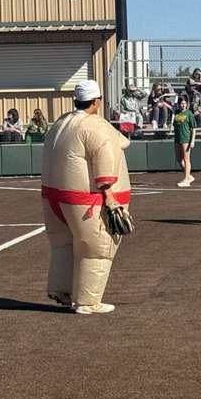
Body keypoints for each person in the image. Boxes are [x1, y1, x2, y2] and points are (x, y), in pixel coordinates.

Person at [41, 78, 130, 314]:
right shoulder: (97, 127)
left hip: (54, 198)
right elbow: (105, 166)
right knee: (97, 249)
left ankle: (61, 288)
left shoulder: (60, 123)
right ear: (97, 101)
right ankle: (87, 301)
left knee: (63, 244)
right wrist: (110, 198)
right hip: (85, 200)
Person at [172, 93, 198, 186]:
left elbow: (194, 128)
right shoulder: (176, 113)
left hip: (186, 138)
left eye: (185, 103)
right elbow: (174, 124)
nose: (183, 105)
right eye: (181, 103)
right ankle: (188, 175)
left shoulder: (189, 113)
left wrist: (192, 140)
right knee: (179, 158)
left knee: (186, 158)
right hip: (177, 138)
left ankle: (186, 179)